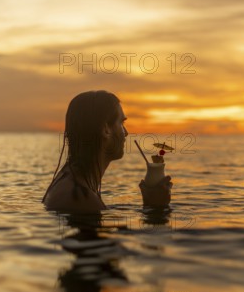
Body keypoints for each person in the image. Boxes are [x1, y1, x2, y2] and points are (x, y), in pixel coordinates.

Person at [42, 90, 173, 213]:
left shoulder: (68, 180)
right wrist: (155, 209)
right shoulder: (81, 197)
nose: (126, 133)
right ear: (106, 129)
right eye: (121, 123)